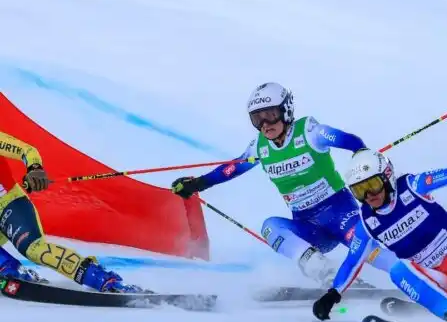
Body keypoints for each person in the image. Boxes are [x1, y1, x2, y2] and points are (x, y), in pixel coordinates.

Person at [172, 82, 396, 285]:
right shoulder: (259, 146)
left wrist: (363, 157)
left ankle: (410, 275)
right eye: (257, 119)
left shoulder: (310, 132)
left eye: (270, 115)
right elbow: (232, 169)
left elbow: (350, 141)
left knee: (364, 247)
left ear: (286, 111)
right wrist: (198, 183)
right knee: (270, 227)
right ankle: (326, 274)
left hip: (340, 213)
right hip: (309, 228)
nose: (265, 124)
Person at [312, 149, 447, 322]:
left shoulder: (412, 186)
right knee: (398, 270)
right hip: (433, 278)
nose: (369, 195)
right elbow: (352, 261)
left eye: (373, 185)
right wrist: (333, 294)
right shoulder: (367, 222)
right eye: (360, 190)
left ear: (387, 177)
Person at [0, 130, 142, 293]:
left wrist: (34, 169)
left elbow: (27, 151)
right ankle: (11, 271)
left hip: (9, 205)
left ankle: (104, 279)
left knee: (35, 249)